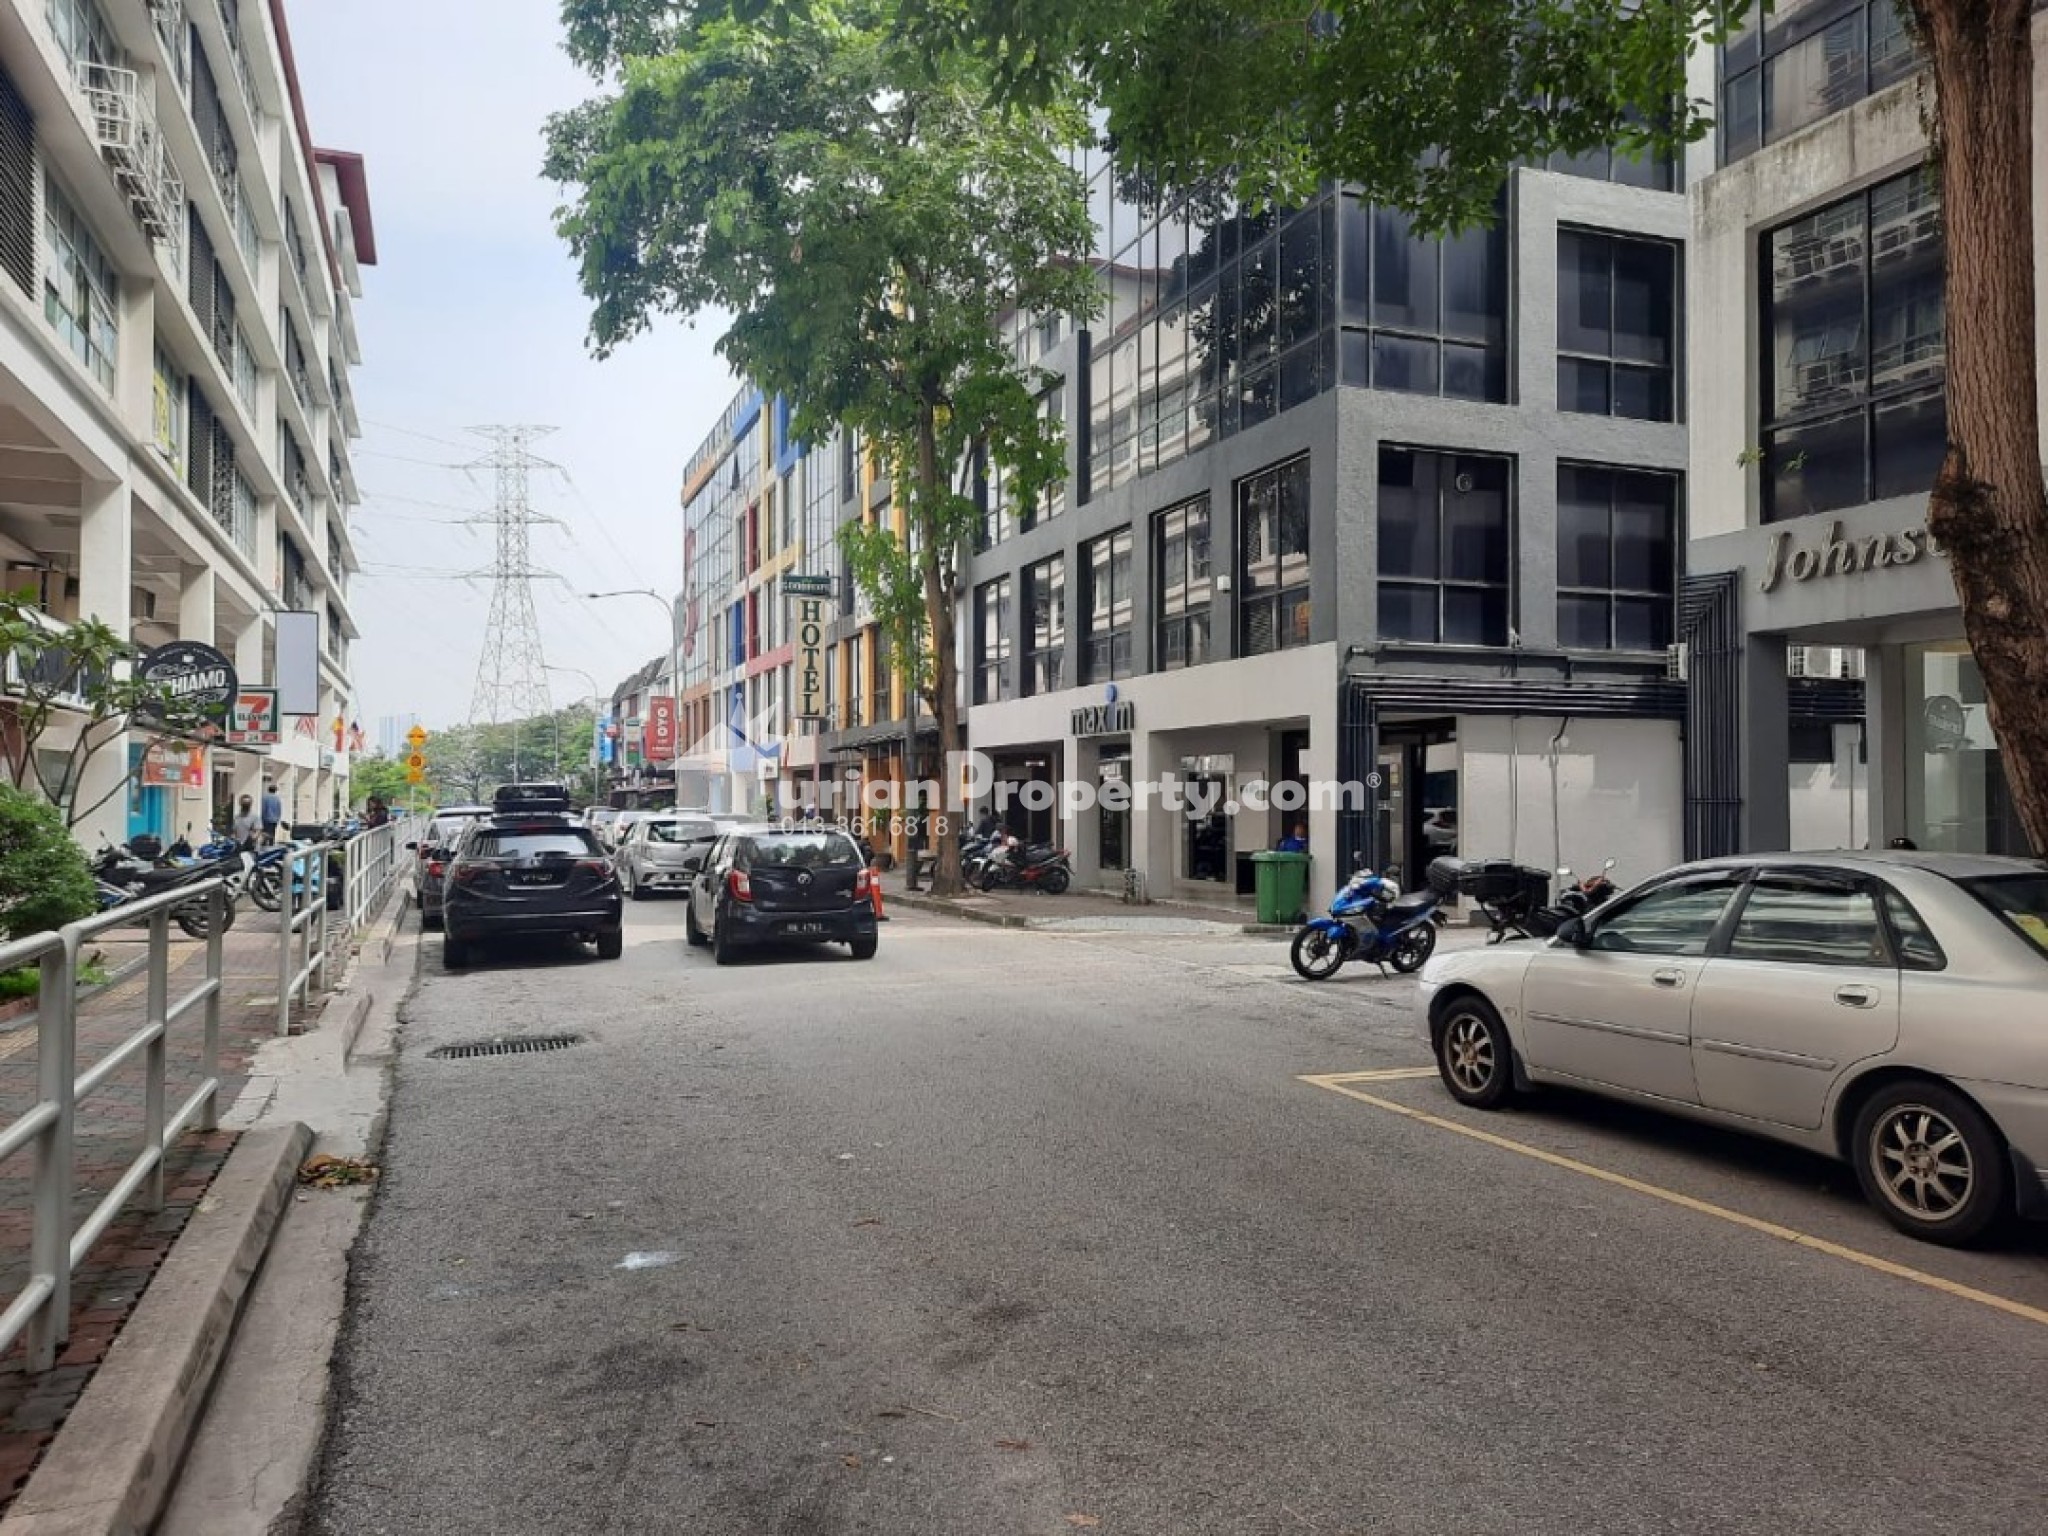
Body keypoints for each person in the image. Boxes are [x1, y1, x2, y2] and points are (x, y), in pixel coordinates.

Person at [260, 780, 284, 845]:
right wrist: (278, 818)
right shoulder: (277, 798)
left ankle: (264, 844)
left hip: (266, 818)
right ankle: (271, 844)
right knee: (272, 832)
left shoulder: (265, 798)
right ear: (275, 791)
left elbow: (263, 808)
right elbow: (279, 809)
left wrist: (262, 818)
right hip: (274, 819)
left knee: (265, 833)